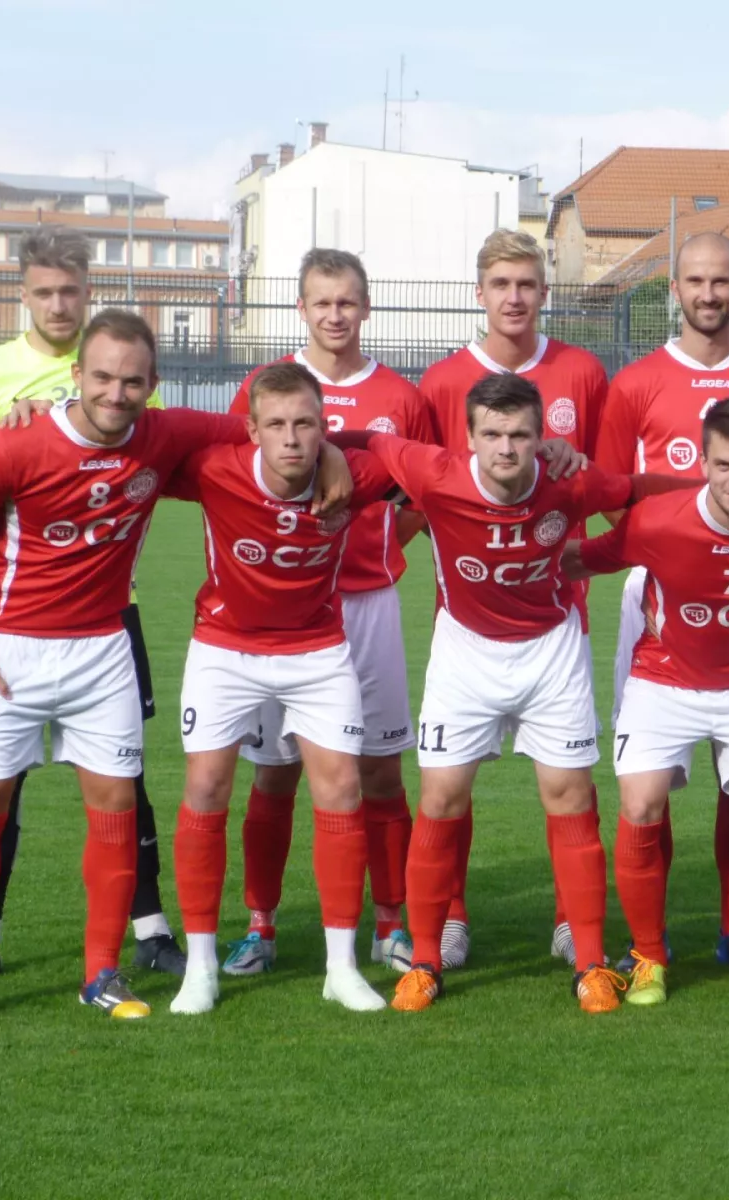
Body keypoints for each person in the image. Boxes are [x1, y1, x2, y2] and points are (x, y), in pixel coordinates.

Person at [0, 310, 253, 1023]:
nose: (116, 394)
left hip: (104, 651)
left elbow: (266, 427)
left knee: (114, 807)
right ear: (76, 375)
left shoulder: (164, 434)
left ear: (153, 384)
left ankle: (104, 973)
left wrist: (331, 455)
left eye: (132, 382)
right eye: (102, 377)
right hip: (8, 653)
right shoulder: (12, 444)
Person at [335, 373, 686, 1014]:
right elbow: (370, 442)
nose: (505, 447)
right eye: (492, 434)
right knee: (441, 797)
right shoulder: (434, 473)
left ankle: (588, 963)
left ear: (539, 437)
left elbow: (633, 489)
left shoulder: (569, 482)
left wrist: (715, 491)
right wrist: (323, 448)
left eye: (520, 434)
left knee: (570, 797)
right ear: (469, 438)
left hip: (551, 652)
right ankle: (424, 963)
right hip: (464, 653)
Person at [0, 226, 184, 979]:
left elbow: (145, 449)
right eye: (43, 292)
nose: (58, 304)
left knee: (123, 777)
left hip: (109, 612)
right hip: (13, 614)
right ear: (22, 293)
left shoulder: (121, 365)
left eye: (70, 291)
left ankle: (148, 926)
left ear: (89, 291)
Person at [564, 398, 729, 1009]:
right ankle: (649, 956)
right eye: (725, 465)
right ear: (702, 464)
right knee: (641, 803)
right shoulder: (657, 522)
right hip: (664, 681)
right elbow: (582, 559)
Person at [593, 231, 729, 967]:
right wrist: (676, 549)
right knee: (647, 779)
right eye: (695, 281)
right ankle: (648, 940)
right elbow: (611, 491)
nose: (708, 294)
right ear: (675, 289)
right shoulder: (636, 383)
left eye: (721, 281)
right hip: (657, 597)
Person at [222, 249, 431, 978]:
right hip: (281, 609)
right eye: (322, 302)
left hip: (366, 604)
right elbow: (233, 477)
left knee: (379, 773)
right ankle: (261, 926)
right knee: (273, 774)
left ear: (366, 307)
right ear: (301, 309)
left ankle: (390, 924)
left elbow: (421, 495)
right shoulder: (264, 386)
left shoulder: (401, 397)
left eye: (347, 302)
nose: (335, 315)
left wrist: (381, 544)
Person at [166, 362, 392, 1015]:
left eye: (305, 424)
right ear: (252, 430)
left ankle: (341, 968)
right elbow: (139, 441)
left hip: (316, 648)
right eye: (276, 425)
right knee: (207, 787)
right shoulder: (215, 469)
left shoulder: (357, 474)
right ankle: (200, 969)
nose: (291, 438)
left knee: (341, 789)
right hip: (225, 647)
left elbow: (417, 458)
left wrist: (341, 455)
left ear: (324, 426)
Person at [418, 229, 608, 970]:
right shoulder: (442, 381)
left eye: (527, 284)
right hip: (467, 612)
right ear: (480, 292)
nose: (515, 297)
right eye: (501, 284)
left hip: (557, 610)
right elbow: (423, 483)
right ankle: (450, 917)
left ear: (544, 292)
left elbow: (603, 476)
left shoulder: (582, 371)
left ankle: (571, 921)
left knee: (568, 778)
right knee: (449, 779)